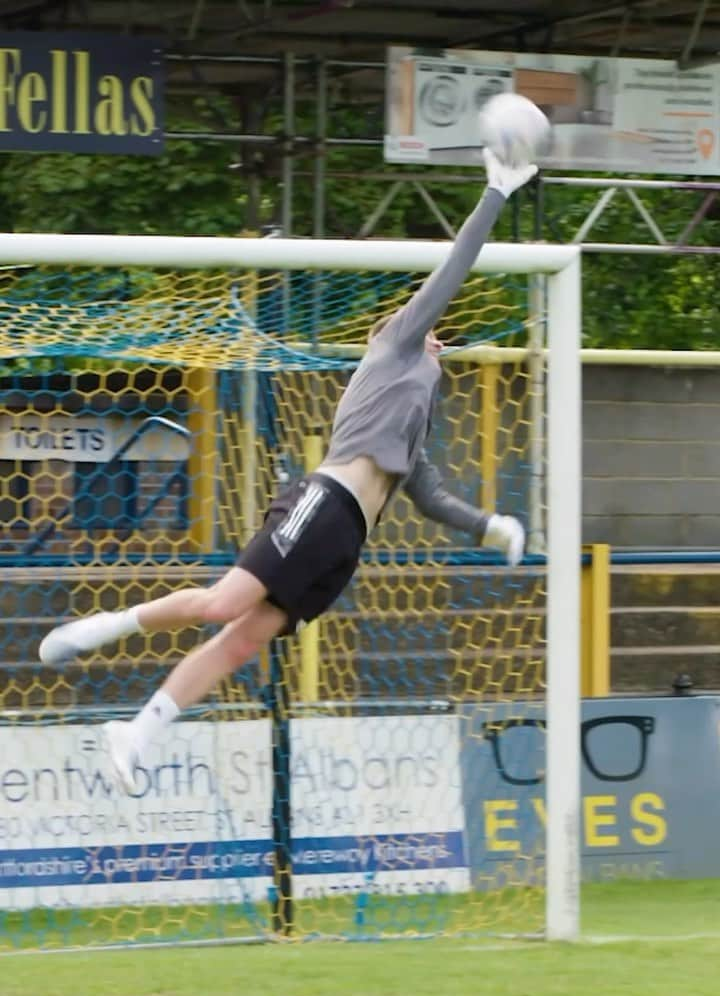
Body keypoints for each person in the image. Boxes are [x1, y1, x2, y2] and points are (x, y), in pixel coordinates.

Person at [39, 148, 537, 793]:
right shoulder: (395, 350)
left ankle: (137, 732)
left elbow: (431, 495)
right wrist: (496, 192)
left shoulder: (415, 416)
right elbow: (451, 272)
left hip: (344, 541)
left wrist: (493, 525)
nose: (434, 331)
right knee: (223, 604)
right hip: (323, 502)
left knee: (243, 642)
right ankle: (99, 628)